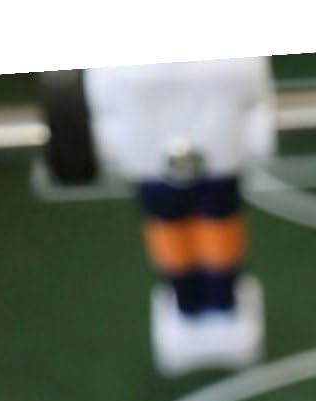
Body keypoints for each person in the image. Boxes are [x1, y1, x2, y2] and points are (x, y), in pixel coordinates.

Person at [83, 58, 275, 376]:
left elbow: (251, 90)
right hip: (161, 163)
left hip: (210, 159)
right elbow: (102, 102)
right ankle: (190, 304)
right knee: (174, 236)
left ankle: (219, 304)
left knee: (215, 234)